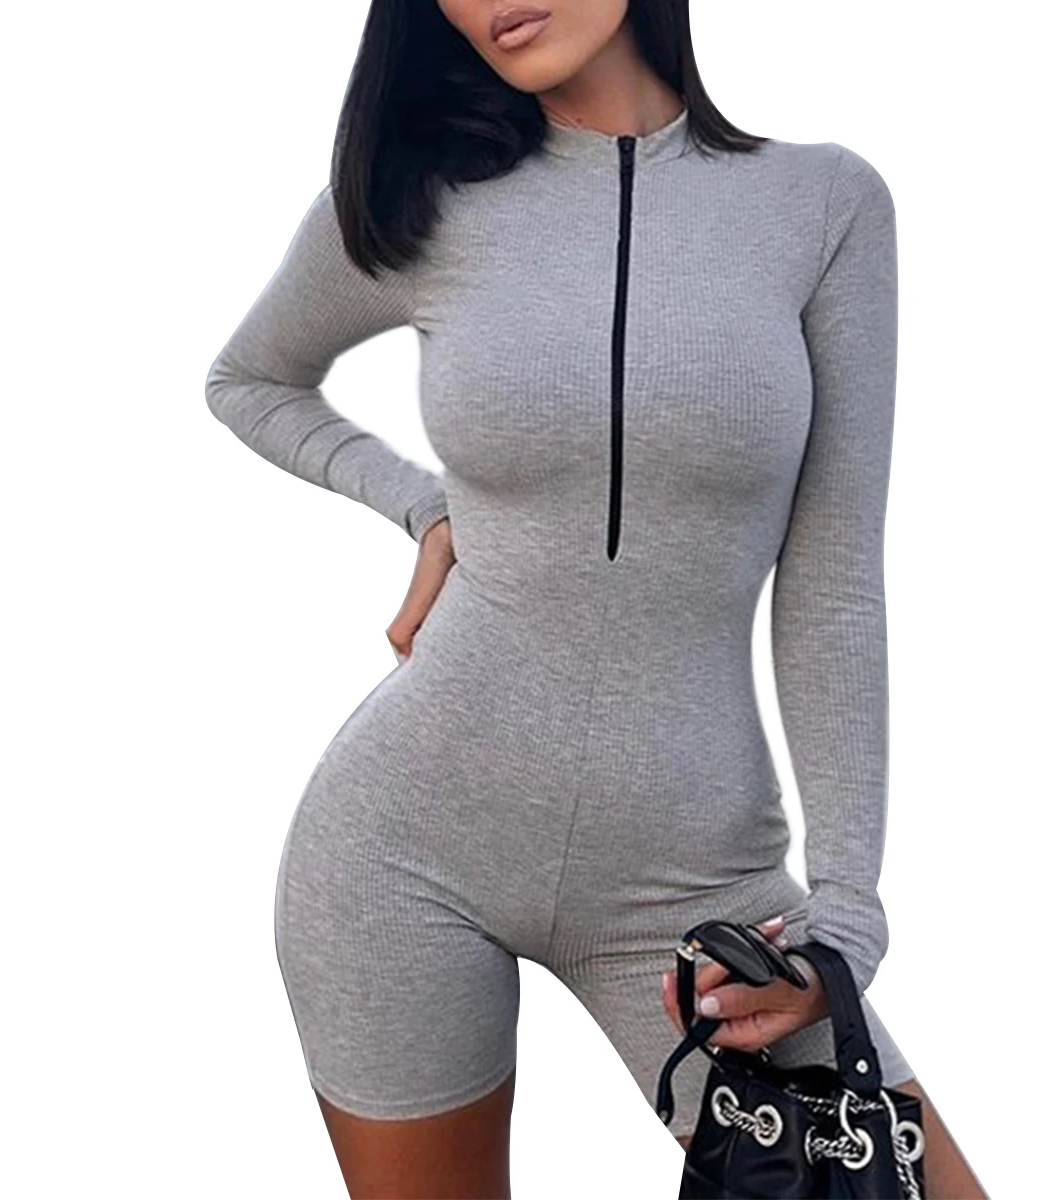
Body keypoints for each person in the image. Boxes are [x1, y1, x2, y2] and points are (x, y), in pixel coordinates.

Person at [205, 2, 986, 1196]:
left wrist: (844, 915)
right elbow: (251, 380)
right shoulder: (426, 204)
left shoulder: (821, 205)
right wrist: (423, 506)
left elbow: (832, 586)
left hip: (700, 882)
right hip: (402, 854)